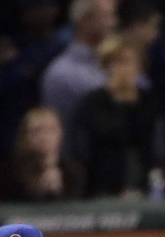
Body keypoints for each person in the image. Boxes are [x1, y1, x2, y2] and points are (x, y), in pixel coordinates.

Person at [71, 35, 160, 198]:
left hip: (143, 185)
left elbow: (148, 138)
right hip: (104, 187)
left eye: (127, 62)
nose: (122, 68)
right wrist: (120, 101)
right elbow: (109, 134)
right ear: (107, 66)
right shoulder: (95, 102)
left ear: (139, 66)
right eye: (116, 62)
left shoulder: (147, 101)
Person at [39, 0, 119, 152]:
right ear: (84, 20)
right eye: (107, 15)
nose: (114, 22)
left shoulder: (123, 63)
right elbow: (62, 135)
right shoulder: (61, 74)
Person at [0, 106, 84, 201]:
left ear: (60, 134)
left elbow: (77, 209)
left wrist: (58, 191)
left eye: (50, 130)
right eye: (36, 131)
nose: (44, 137)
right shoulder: (9, 172)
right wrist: (36, 190)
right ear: (24, 136)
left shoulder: (73, 171)